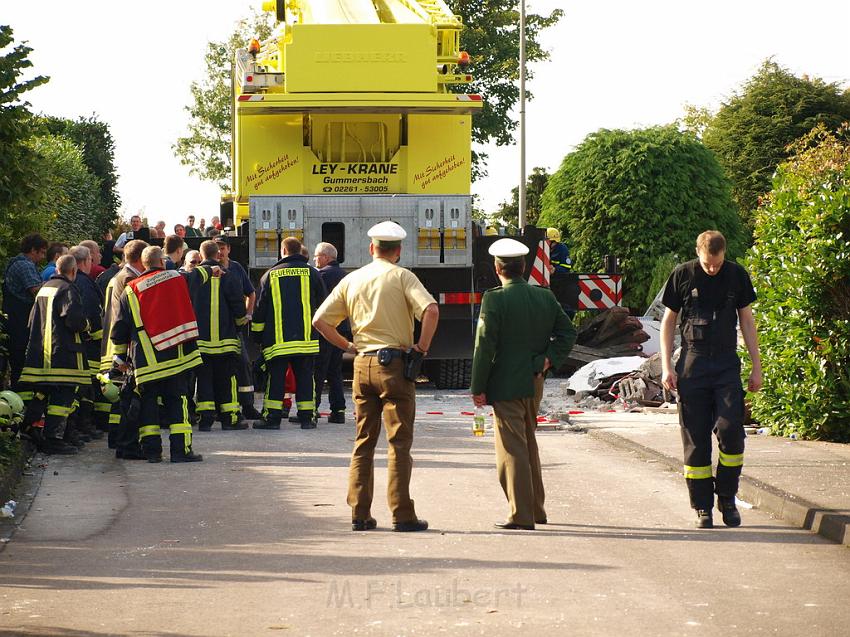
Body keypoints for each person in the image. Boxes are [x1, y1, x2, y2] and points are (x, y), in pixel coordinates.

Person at [313, 221, 438, 533]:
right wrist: (421, 348)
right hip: (395, 366)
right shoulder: (403, 276)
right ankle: (402, 513)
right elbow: (432, 311)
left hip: (362, 363)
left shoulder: (353, 279)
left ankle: (359, 512)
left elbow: (320, 321)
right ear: (398, 251)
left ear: (371, 248)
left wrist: (347, 345)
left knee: (363, 441)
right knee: (399, 442)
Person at [470, 238, 576, 531]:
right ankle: (536, 508)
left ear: (497, 268)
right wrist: (548, 360)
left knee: (512, 449)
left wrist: (477, 386)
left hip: (505, 383)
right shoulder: (544, 297)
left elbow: (484, 346)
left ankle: (520, 514)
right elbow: (568, 332)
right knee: (528, 443)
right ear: (525, 267)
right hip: (535, 381)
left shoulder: (495, 299)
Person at [660, 230, 762, 529]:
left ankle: (727, 499)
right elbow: (668, 322)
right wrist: (667, 366)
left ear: (723, 254)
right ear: (698, 253)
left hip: (726, 363)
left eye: (717, 263)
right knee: (696, 440)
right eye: (708, 264)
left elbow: (746, 320)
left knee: (732, 431)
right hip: (692, 363)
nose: (713, 269)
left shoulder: (736, 275)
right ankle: (703, 507)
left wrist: (757, 366)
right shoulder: (682, 274)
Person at [111, 246, 209, 463]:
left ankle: (152, 452)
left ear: (143, 264)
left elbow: (120, 330)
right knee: (177, 402)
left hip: (146, 361)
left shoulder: (130, 290)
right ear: (162, 262)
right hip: (177, 357)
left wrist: (119, 360)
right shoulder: (176, 277)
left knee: (148, 407)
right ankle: (180, 451)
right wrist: (212, 270)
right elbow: (196, 275)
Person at [252, 237, 326, 430]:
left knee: (275, 379)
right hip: (307, 340)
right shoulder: (313, 273)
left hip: (278, 341)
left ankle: (272, 419)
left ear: (283, 251)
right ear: (300, 252)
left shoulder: (270, 275)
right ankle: (307, 418)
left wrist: (257, 337)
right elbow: (324, 304)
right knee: (305, 378)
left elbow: (260, 309)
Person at [19, 255, 90, 455]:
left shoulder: (44, 288)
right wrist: (87, 326)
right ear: (74, 270)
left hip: (41, 353)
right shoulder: (68, 289)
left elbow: (32, 319)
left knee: (42, 392)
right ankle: (53, 439)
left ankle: (30, 427)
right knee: (62, 396)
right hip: (63, 355)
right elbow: (74, 320)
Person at [192, 240, 249, 431]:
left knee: (204, 380)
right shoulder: (228, 276)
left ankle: (206, 420)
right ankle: (229, 419)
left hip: (201, 341)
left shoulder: (195, 277)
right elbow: (238, 305)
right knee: (227, 380)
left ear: (200, 256)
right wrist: (240, 324)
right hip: (226, 341)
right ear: (218, 255)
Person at [100, 239, 148, 455]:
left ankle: (116, 438)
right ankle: (125, 443)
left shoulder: (117, 276)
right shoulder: (130, 278)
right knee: (129, 396)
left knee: (120, 397)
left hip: (114, 343)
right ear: (140, 259)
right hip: (125, 346)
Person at [213, 235, 260, 420]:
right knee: (218, 370)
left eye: (223, 247)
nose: (220, 251)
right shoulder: (206, 269)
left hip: (234, 327)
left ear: (229, 249)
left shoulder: (236, 268)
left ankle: (247, 406)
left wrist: (248, 314)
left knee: (243, 364)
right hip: (213, 328)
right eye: (216, 247)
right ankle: (219, 408)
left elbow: (251, 293)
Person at [68, 245, 105, 442]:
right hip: (88, 345)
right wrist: (100, 339)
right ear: (84, 261)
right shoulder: (85, 283)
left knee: (83, 388)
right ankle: (84, 424)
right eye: (91, 258)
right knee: (86, 388)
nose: (93, 261)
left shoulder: (76, 282)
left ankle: (82, 425)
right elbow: (92, 312)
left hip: (80, 344)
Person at [2, 233, 48, 387]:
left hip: (14, 319)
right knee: (19, 360)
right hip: (19, 321)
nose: (42, 257)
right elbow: (36, 291)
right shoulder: (25, 265)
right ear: (33, 250)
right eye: (41, 252)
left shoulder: (17, 263)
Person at [312, 242, 349, 423]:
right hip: (343, 328)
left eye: (317, 256)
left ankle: (313, 408)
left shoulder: (320, 275)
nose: (314, 259)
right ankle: (338, 411)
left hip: (326, 329)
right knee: (335, 370)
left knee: (319, 369)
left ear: (326, 257)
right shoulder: (346, 276)